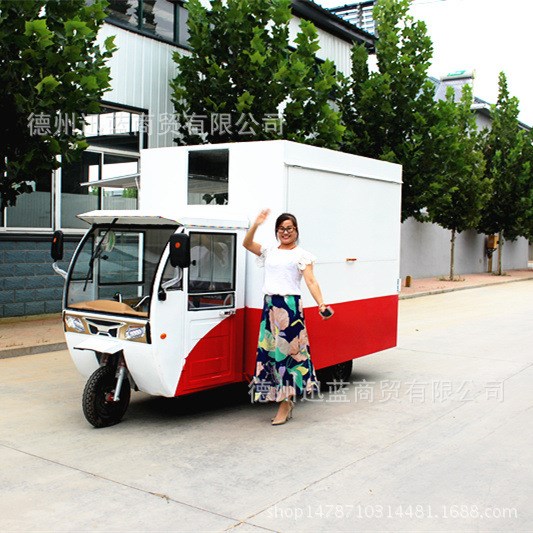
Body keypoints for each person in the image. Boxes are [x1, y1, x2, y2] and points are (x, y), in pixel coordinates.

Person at [243, 209, 331, 425]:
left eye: (289, 229)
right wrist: (256, 224)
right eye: (281, 229)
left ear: (296, 230)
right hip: (270, 306)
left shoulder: (302, 255)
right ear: (276, 232)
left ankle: (286, 402)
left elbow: (311, 281)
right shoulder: (270, 251)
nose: (285, 232)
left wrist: (321, 303)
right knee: (271, 355)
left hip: (290, 308)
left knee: (289, 356)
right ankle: (281, 399)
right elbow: (247, 243)